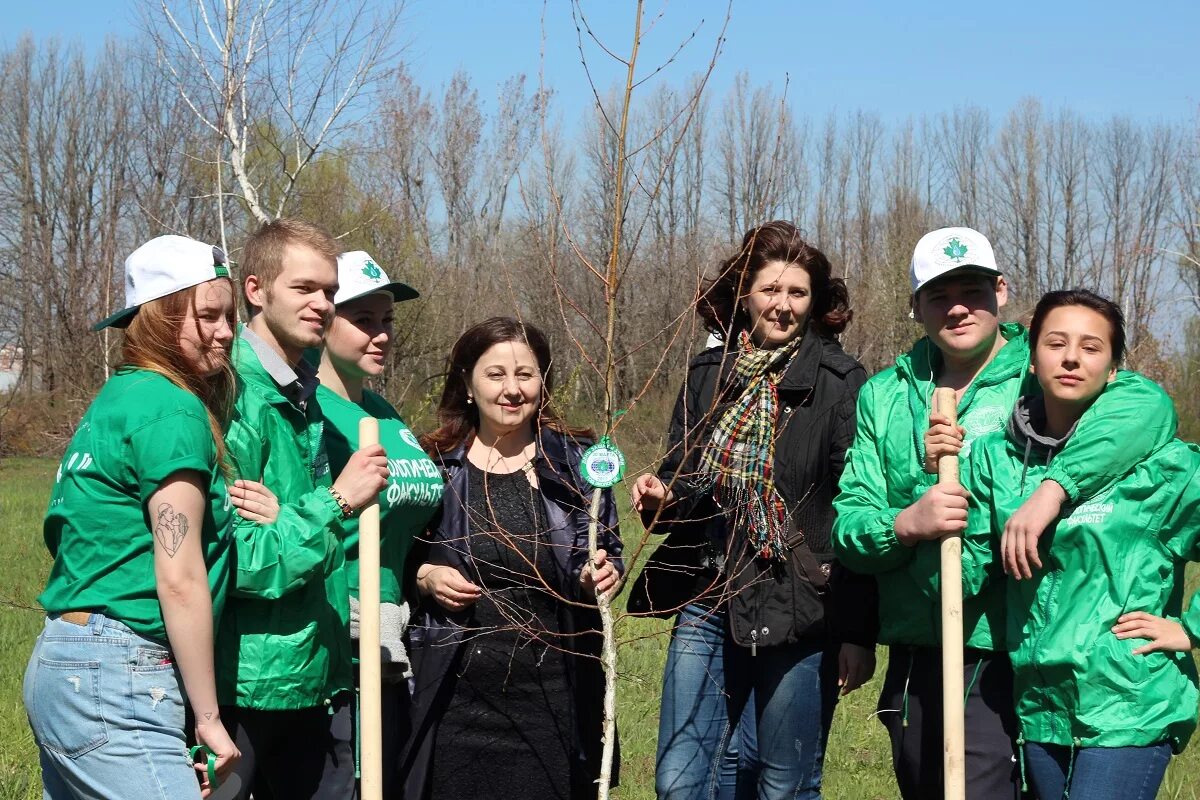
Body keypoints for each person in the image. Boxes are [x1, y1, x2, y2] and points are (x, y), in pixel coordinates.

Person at [832, 227, 1178, 799]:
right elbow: (850, 521)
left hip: (1028, 648)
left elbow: (1145, 406)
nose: (959, 307)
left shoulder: (1043, 363)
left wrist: (1052, 488)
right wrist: (904, 526)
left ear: (1001, 290)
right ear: (915, 306)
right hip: (924, 645)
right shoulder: (885, 396)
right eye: (939, 295)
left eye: (972, 289)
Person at [630, 220, 878, 800]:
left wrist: (857, 630)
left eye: (797, 293)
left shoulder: (841, 383)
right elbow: (683, 477)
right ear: (744, 294)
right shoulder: (708, 375)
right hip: (707, 591)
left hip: (799, 604)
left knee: (781, 783)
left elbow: (858, 508)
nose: (782, 305)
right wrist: (663, 499)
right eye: (770, 290)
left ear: (815, 303)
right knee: (679, 778)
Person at [24, 235, 269, 798]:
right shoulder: (172, 409)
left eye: (230, 315)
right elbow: (179, 576)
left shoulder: (114, 400)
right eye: (208, 315)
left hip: (61, 659)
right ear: (159, 317)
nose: (227, 331)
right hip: (115, 672)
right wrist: (207, 719)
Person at [958, 289, 1200, 799]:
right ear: (1031, 358)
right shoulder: (997, 462)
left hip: (1127, 702)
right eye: (1056, 342)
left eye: (1091, 348)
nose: (1071, 358)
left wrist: (1191, 631)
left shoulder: (1160, 467)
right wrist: (927, 505)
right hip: (1041, 705)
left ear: (1114, 371)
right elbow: (965, 568)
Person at [402, 316, 623, 800]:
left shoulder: (577, 466)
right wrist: (425, 575)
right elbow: (396, 562)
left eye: (525, 374)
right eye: (495, 374)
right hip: (454, 696)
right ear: (466, 382)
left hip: (553, 699)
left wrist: (600, 574)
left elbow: (608, 552)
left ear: (543, 382)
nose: (512, 389)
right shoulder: (431, 465)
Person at [216, 219, 390, 799]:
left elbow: (277, 532)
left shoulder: (301, 389)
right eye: (305, 289)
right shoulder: (234, 395)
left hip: (314, 669)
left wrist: (289, 515)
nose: (323, 305)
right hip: (250, 681)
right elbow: (241, 559)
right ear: (255, 289)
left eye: (331, 293)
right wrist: (336, 501)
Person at [314, 250, 443, 796]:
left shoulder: (385, 413)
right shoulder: (308, 413)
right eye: (363, 320)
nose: (381, 334)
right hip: (339, 636)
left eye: (387, 319)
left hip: (394, 631)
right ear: (322, 321)